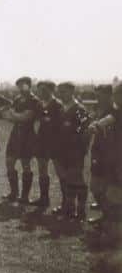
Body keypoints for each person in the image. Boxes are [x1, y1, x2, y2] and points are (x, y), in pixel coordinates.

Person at [54, 82, 90, 220]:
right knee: (66, 180)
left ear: (71, 91)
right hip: (61, 151)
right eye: (60, 92)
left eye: (64, 91)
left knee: (77, 181)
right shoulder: (61, 108)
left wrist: (81, 149)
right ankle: (68, 208)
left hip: (75, 152)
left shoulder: (79, 109)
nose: (61, 94)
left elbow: (85, 131)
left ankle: (80, 211)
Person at [3, 76, 40, 203]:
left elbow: (26, 117)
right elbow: (8, 116)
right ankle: (14, 193)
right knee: (9, 162)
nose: (20, 88)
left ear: (29, 86)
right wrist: (13, 115)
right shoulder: (18, 99)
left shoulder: (34, 100)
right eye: (18, 85)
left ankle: (24, 196)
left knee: (25, 164)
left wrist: (13, 115)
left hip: (27, 135)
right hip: (15, 134)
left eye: (23, 85)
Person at [86, 85, 116, 224]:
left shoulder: (115, 110)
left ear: (110, 95)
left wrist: (95, 126)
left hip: (111, 154)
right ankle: (106, 215)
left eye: (100, 95)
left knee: (108, 188)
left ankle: (109, 218)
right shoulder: (100, 109)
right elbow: (94, 123)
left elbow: (100, 124)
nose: (97, 98)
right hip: (98, 151)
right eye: (96, 95)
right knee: (95, 186)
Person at [30, 81, 63, 208]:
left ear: (52, 90)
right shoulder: (39, 104)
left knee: (60, 172)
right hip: (41, 142)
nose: (42, 92)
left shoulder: (57, 105)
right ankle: (44, 199)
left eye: (45, 90)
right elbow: (37, 122)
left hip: (55, 144)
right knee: (42, 170)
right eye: (40, 90)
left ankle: (66, 203)